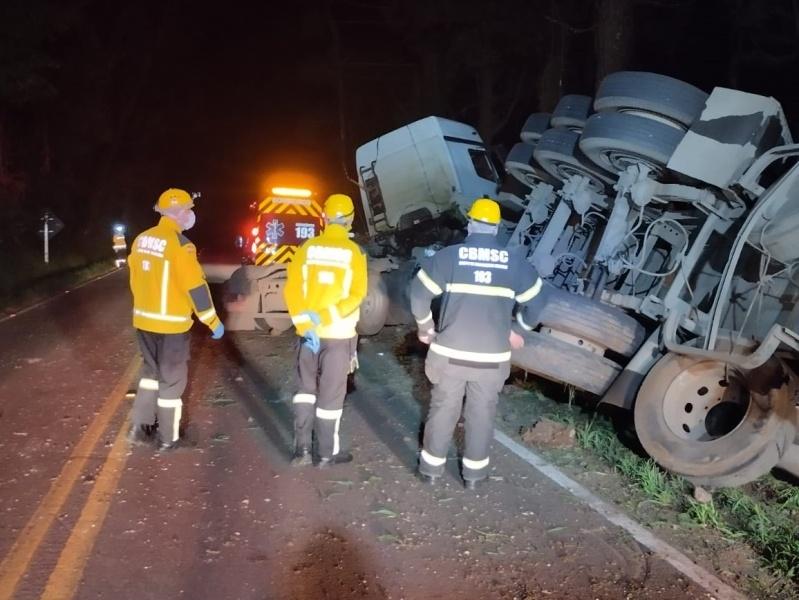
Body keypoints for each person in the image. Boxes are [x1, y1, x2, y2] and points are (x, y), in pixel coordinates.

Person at [410, 197, 546, 490]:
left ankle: (430, 471)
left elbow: (418, 294)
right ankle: (473, 477)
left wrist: (425, 327)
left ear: (470, 224)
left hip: (449, 356)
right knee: (481, 414)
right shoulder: (516, 263)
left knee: (443, 408)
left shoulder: (449, 257)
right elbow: (537, 303)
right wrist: (516, 329)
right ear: (496, 228)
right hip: (491, 360)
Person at [127, 188, 224, 450]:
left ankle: (139, 427)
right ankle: (168, 438)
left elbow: (135, 279)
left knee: (150, 374)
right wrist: (213, 322)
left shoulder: (141, 240)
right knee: (172, 381)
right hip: (171, 326)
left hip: (144, 323)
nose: (191, 214)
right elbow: (196, 289)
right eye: (189, 210)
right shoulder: (181, 246)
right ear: (180, 213)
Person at [283, 193, 367, 468]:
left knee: (306, 390)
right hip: (340, 336)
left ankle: (302, 450)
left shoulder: (307, 248)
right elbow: (357, 295)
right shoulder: (355, 253)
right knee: (331, 394)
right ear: (351, 219)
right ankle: (326, 454)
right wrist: (328, 316)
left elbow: (292, 290)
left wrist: (306, 325)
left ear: (324, 218)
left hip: (308, 336)